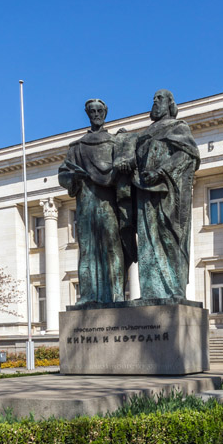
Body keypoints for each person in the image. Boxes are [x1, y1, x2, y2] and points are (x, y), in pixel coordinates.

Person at [58, 99, 135, 304]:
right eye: (92, 111)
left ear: (106, 112)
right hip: (86, 205)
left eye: (100, 110)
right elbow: (64, 174)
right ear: (87, 113)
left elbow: (126, 170)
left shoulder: (114, 143)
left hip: (108, 205)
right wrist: (74, 177)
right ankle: (88, 296)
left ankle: (118, 294)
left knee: (113, 247)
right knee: (87, 250)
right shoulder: (77, 147)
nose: (96, 114)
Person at [131, 89, 200, 299]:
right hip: (144, 192)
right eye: (153, 99)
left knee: (168, 237)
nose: (155, 102)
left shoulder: (178, 127)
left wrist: (160, 172)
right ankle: (150, 293)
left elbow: (188, 155)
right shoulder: (144, 133)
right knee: (147, 241)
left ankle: (173, 291)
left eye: (159, 99)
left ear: (170, 103)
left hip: (167, 194)